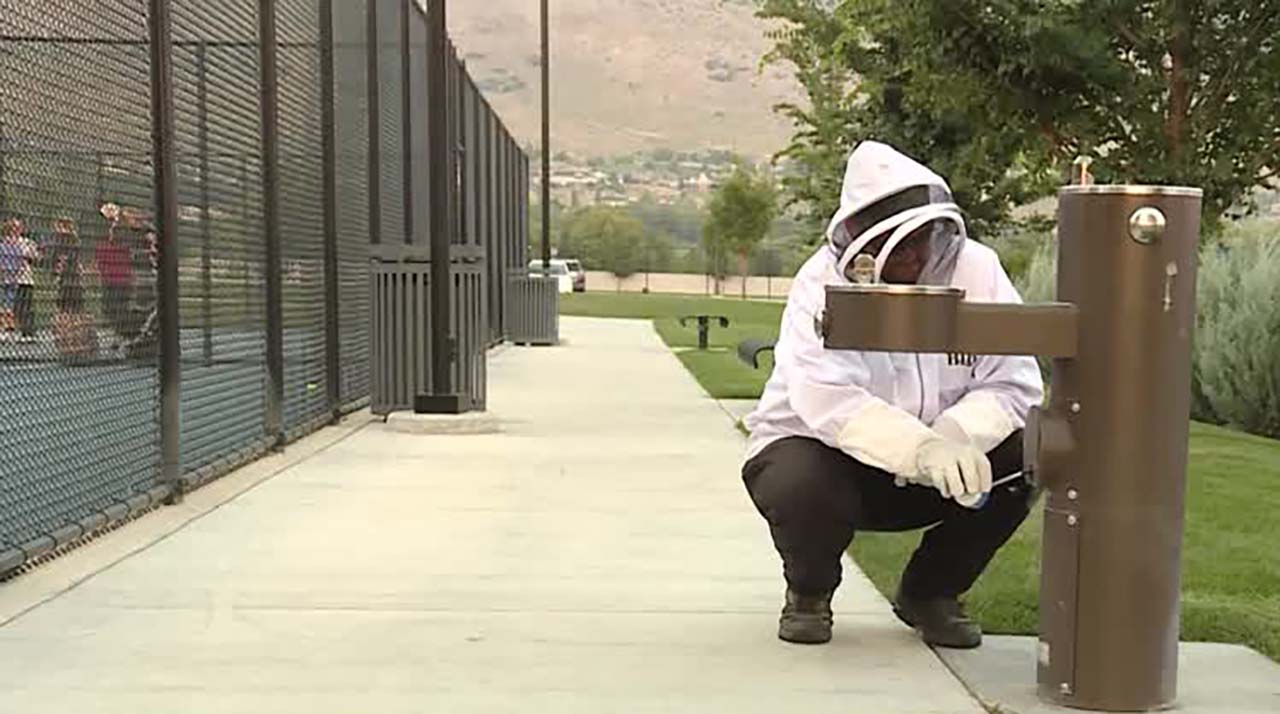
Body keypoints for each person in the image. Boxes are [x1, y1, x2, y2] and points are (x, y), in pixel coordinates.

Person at [742, 141, 1044, 649]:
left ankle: (932, 594)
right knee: (798, 479)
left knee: (1028, 455)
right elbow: (825, 398)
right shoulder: (819, 282)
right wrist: (921, 449)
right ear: (857, 239)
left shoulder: (978, 270)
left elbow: (1015, 381)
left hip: (938, 471)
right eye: (898, 247)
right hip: (833, 464)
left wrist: (958, 434)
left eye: (920, 242)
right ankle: (810, 592)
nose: (911, 257)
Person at [95, 202, 134, 342]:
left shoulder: (122, 239)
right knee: (111, 307)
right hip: (110, 280)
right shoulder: (103, 242)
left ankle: (122, 335)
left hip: (121, 279)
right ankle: (120, 333)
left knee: (120, 308)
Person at [1, 217, 40, 341]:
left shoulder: (26, 242)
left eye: (18, 227)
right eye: (12, 228)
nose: (15, 230)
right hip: (7, 279)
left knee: (25, 305)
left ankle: (27, 332)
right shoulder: (3, 243)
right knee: (7, 306)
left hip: (24, 279)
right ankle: (7, 331)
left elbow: (35, 256)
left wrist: (28, 253)